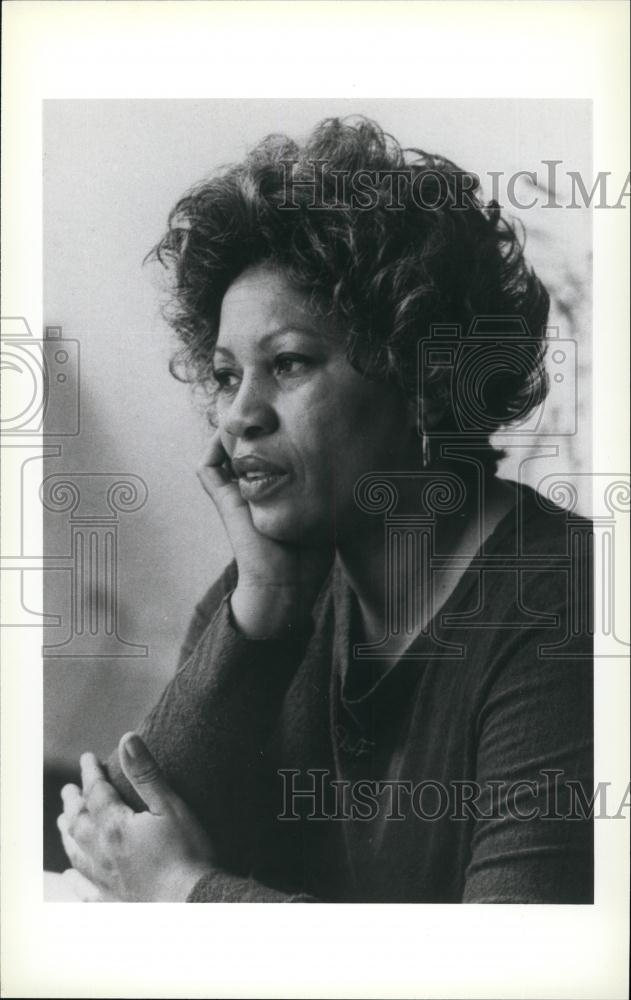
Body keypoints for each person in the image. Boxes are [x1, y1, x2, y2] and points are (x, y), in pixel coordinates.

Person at [57, 117, 593, 903]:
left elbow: (513, 975)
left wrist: (184, 894)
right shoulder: (270, 586)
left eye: (288, 364)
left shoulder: (562, 599)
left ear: (420, 377)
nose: (239, 413)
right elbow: (133, 844)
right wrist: (261, 612)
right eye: (225, 374)